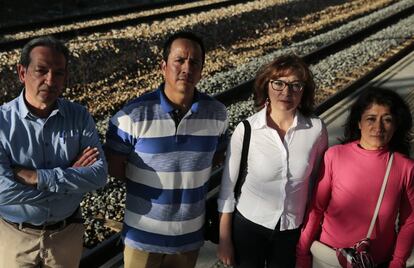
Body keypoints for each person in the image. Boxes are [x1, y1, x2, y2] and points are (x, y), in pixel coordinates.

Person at [105, 31, 228, 268]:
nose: (187, 68)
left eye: (195, 62)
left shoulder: (217, 114)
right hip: (142, 239)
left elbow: (215, 158)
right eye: (179, 60)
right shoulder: (132, 116)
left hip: (189, 240)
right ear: (163, 66)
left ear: (202, 70)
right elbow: (115, 165)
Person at [0, 36, 107, 268]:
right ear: (22, 72)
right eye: (41, 70)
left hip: (66, 236)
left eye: (59, 73)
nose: (50, 79)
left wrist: (35, 177)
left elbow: (99, 176)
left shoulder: (79, 116)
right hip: (14, 237)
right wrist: (70, 179)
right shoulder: (2, 122)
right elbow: (3, 193)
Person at [217, 54, 328, 268]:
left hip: (292, 230)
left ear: (303, 91)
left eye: (296, 85)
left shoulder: (316, 130)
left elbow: (317, 183)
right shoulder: (247, 129)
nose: (286, 92)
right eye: (279, 83)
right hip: (249, 227)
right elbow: (227, 190)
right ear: (266, 86)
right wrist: (224, 240)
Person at [296, 87, 414, 268]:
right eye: (371, 119)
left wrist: (397, 262)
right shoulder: (334, 156)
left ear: (396, 125)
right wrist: (302, 253)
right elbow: (316, 208)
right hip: (330, 259)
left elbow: (409, 220)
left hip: (376, 262)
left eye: (387, 120)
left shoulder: (405, 167)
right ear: (359, 122)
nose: (379, 127)